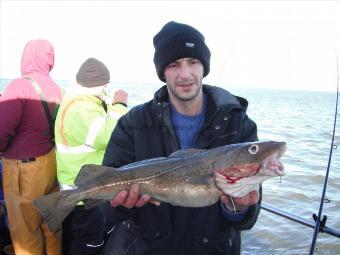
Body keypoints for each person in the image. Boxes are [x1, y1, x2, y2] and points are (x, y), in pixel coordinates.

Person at [102, 21, 261, 255]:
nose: (185, 74)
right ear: (162, 71)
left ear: (203, 67)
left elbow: (246, 219)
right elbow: (107, 210)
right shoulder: (133, 123)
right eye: (174, 64)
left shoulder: (238, 123)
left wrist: (237, 209)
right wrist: (121, 206)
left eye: (193, 62)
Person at [55, 57, 128, 255]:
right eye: (105, 86)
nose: (106, 90)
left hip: (80, 190)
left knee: (74, 238)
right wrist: (119, 105)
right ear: (98, 85)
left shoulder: (77, 102)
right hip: (86, 192)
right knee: (90, 243)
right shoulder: (81, 108)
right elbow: (105, 135)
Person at [0, 40, 62, 255]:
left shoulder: (20, 85)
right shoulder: (56, 89)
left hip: (24, 170)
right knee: (50, 225)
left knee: (25, 233)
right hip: (50, 164)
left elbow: (1, 129)